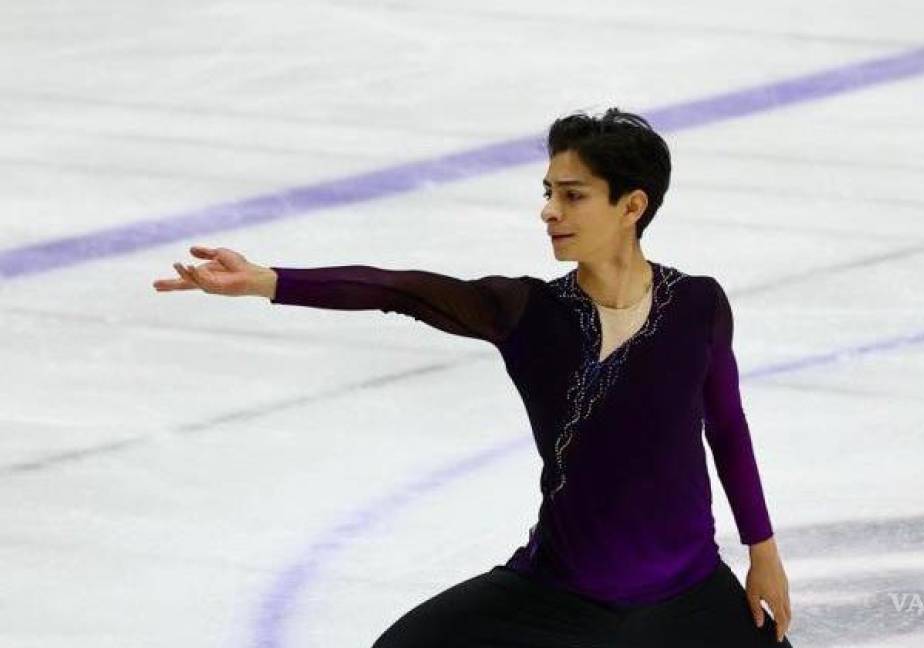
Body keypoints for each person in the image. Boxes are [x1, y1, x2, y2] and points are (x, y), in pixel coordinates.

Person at [153, 108, 793, 647]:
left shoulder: (697, 306)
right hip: (560, 595)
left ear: (632, 205)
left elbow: (727, 429)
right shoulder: (525, 312)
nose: (549, 211)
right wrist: (268, 281)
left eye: (572, 195)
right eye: (548, 192)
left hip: (687, 596)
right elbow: (397, 289)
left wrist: (763, 555)